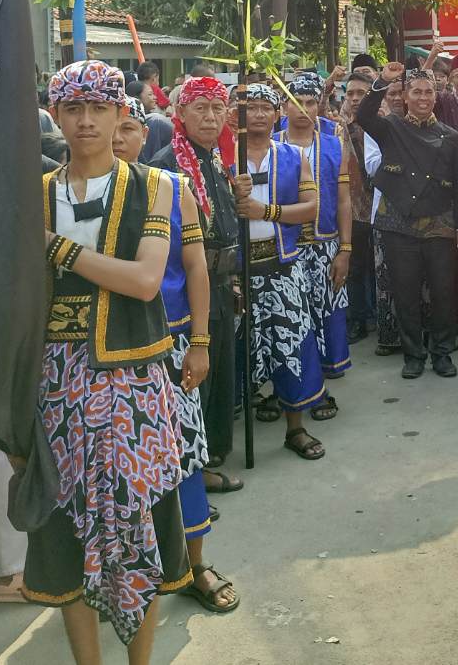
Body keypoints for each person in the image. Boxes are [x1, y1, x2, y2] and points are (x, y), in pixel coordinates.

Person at [28, 61, 189, 662]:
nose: (86, 121)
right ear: (57, 115)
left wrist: (56, 248)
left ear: (124, 114)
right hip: (54, 379)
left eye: (100, 109)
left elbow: (146, 281)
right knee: (66, 523)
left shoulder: (156, 185)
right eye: (73, 109)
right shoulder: (35, 192)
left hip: (133, 377)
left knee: (139, 519)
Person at [110, 100, 238, 615]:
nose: (114, 136)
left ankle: (194, 565)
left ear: (146, 133)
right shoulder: (65, 192)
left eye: (126, 127)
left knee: (184, 454)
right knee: (121, 464)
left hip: (174, 339)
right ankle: (123, 570)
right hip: (108, 349)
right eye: (100, 121)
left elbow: (195, 267)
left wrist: (202, 340)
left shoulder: (170, 188)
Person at [148, 76, 243, 495]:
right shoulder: (169, 163)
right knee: (193, 376)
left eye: (216, 108)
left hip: (221, 281)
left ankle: (212, 454)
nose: (209, 116)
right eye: (199, 108)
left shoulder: (218, 158)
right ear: (180, 114)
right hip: (187, 285)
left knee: (221, 368)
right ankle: (192, 470)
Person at [357, 63, 458, 380]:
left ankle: (442, 352)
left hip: (439, 222)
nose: (423, 97)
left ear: (436, 96)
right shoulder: (391, 127)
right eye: (416, 92)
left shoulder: (449, 137)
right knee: (405, 292)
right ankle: (413, 355)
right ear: (405, 97)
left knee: (443, 291)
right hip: (398, 222)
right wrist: (381, 81)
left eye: (428, 92)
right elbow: (363, 116)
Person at [230, 84, 324, 460]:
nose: (257, 115)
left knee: (292, 343)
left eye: (265, 108)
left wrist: (265, 212)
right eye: (250, 108)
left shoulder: (293, 156)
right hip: (237, 269)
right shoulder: (226, 157)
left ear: (277, 113)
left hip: (283, 264)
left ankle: (295, 428)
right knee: (238, 348)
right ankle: (226, 434)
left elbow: (312, 208)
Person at [279, 73, 355, 401]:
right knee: (292, 314)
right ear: (284, 105)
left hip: (326, 242)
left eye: (310, 102)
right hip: (286, 244)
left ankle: (327, 370)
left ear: (319, 105)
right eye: (296, 102)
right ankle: (293, 379)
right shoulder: (272, 142)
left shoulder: (332, 142)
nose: (303, 109)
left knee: (328, 306)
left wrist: (345, 249)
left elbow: (343, 199)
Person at [339, 71, 379, 344]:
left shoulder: (381, 125)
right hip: (350, 209)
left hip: (379, 206)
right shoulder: (336, 127)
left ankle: (379, 316)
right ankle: (358, 319)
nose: (354, 99)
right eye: (350, 94)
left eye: (361, 94)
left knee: (377, 268)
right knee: (353, 266)